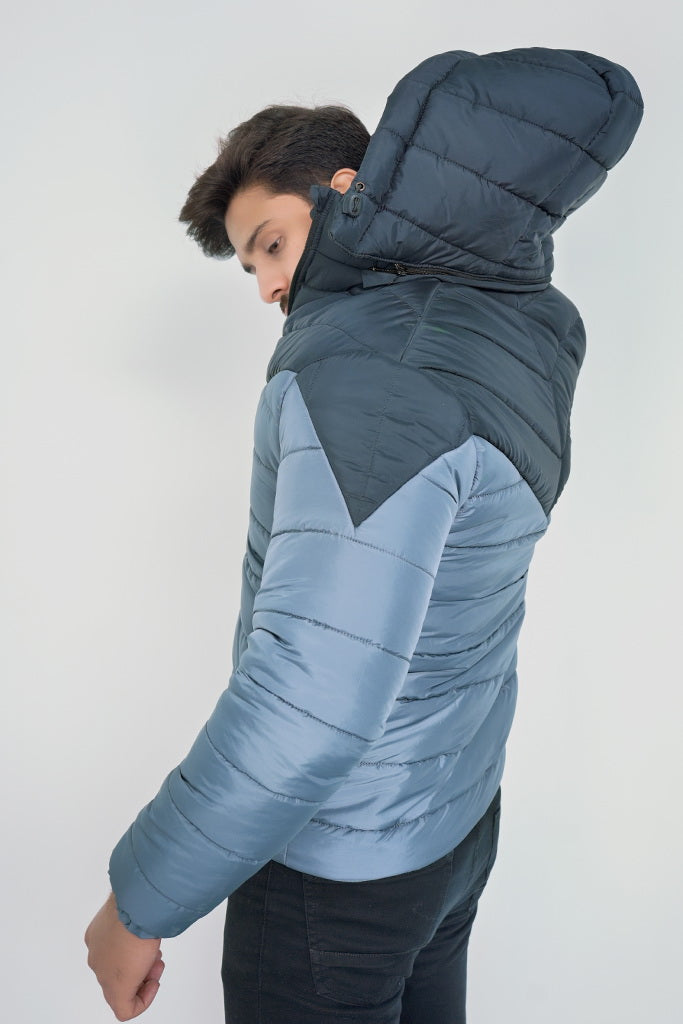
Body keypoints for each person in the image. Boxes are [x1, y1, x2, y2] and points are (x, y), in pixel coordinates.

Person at [85, 46, 643, 1023]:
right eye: (249, 265)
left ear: (344, 191)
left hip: (336, 872)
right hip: (451, 823)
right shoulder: (506, 322)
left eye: (269, 245)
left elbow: (309, 699)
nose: (265, 286)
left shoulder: (364, 374)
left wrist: (139, 899)